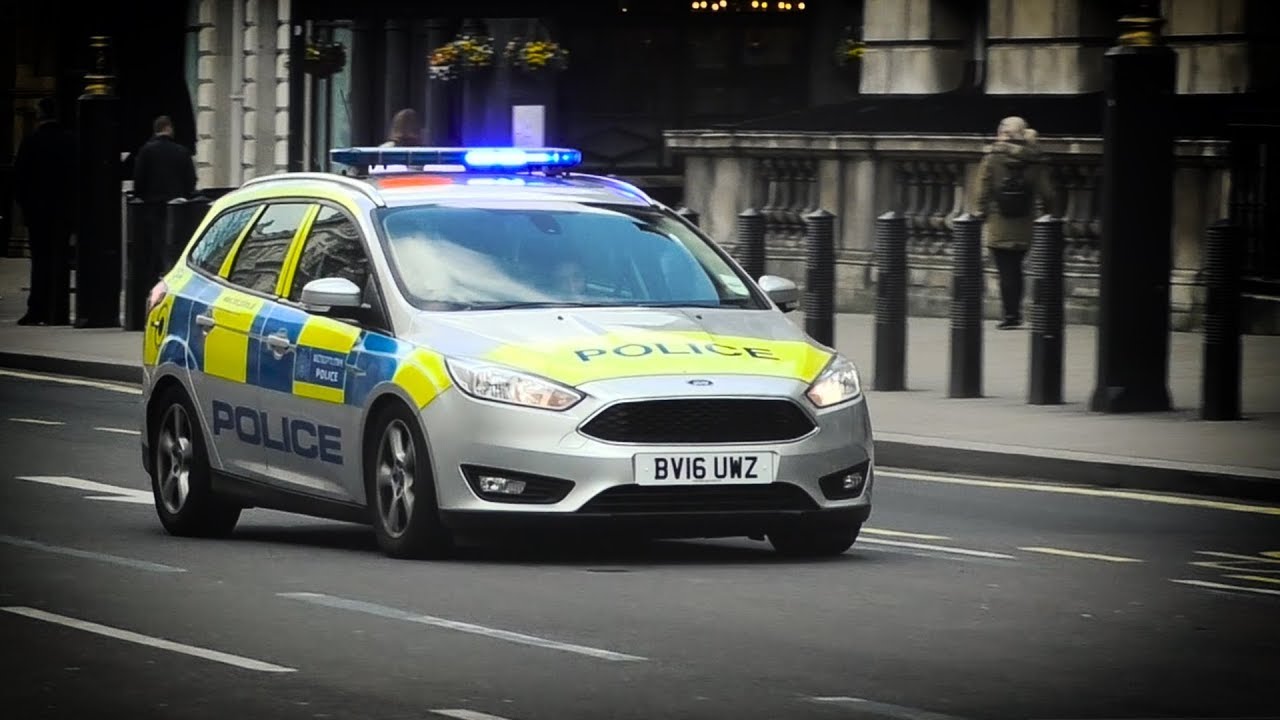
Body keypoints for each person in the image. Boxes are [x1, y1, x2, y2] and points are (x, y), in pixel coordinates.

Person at [972, 116, 1058, 329]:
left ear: (1004, 133)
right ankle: (1018, 312)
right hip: (1024, 221)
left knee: (1005, 270)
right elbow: (1047, 192)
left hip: (999, 219)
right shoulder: (1035, 160)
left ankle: (1010, 315)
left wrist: (980, 212)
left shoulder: (992, 158)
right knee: (1018, 268)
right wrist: (1048, 214)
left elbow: (982, 190)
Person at [13, 96, 77, 326]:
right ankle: (58, 312)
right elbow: (76, 180)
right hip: (62, 213)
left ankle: (37, 309)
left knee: (40, 263)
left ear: (40, 114)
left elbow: (19, 178)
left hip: (38, 213)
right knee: (60, 263)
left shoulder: (31, 141)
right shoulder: (69, 141)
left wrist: (25, 207)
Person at [132, 115, 197, 281]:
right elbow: (191, 180)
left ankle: (155, 277)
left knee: (155, 245)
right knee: (176, 244)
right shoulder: (182, 152)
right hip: (178, 207)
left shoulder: (146, 151)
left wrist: (142, 197)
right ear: (169, 129)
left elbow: (139, 180)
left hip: (153, 207)